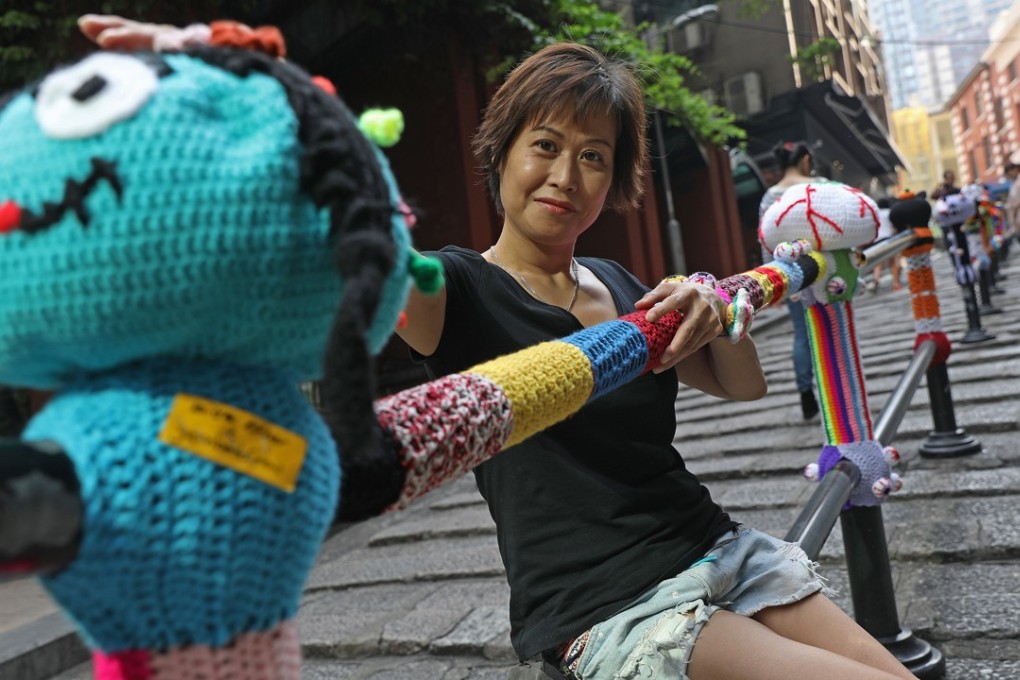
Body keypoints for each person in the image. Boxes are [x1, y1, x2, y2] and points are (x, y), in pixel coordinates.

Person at [81, 19, 914, 680]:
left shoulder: (623, 283)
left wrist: (714, 298)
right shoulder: (458, 290)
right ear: (504, 154)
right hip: (610, 606)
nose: (565, 175)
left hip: (718, 548)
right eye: (545, 146)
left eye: (593, 158)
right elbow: (369, 251)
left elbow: (743, 388)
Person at [758, 141, 819, 421]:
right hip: (824, 268)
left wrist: (773, 285)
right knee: (831, 328)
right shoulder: (818, 186)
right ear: (805, 159)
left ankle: (806, 394)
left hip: (792, 273)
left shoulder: (770, 196)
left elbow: (766, 241)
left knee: (801, 336)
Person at [868, 196, 903, 292]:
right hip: (889, 239)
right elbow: (895, 227)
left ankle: (875, 280)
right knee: (893, 261)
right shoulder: (890, 212)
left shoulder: (875, 214)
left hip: (877, 241)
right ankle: (895, 283)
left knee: (878, 262)